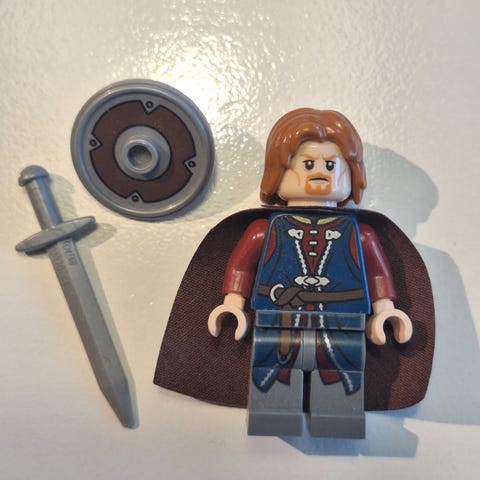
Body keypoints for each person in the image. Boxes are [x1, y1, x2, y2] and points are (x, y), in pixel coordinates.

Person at [207, 109, 412, 438]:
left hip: (342, 322)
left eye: (331, 165)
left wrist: (385, 311)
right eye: (307, 164)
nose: (319, 173)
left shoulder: (361, 235)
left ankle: (337, 421)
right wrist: (233, 304)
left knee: (342, 372)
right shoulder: (263, 230)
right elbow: (242, 265)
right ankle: (274, 419)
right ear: (277, 173)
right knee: (272, 371)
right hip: (277, 320)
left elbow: (377, 274)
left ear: (351, 174)